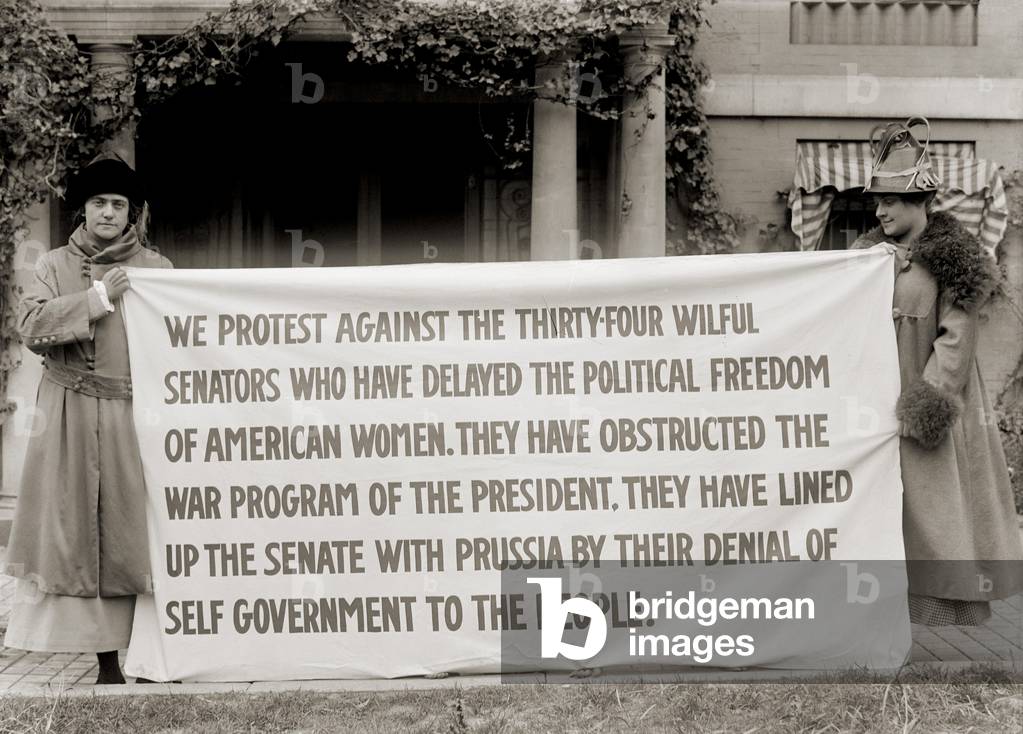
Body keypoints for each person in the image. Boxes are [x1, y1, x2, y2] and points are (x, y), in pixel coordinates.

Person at [3, 153, 173, 683]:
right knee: (73, 529)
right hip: (69, 412)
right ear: (84, 209)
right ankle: (102, 661)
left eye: (118, 204)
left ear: (132, 213)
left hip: (133, 413)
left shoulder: (159, 270)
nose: (107, 213)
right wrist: (99, 297)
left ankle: (148, 651)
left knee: (135, 531)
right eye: (99, 202)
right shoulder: (50, 264)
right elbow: (32, 327)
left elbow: (179, 340)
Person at [852, 117, 1023, 625]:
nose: (880, 210)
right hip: (872, 413)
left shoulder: (956, 263)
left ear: (920, 203)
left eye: (892, 201)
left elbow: (955, 345)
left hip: (930, 414)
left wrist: (924, 407)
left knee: (933, 518)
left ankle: (931, 619)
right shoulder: (865, 261)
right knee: (877, 516)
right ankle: (874, 622)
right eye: (877, 201)